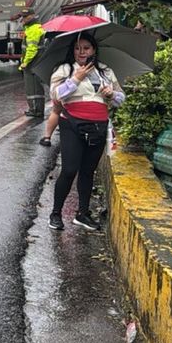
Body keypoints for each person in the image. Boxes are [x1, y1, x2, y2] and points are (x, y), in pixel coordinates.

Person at [47, 33, 124, 231]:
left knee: (88, 171)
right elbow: (56, 96)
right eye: (77, 48)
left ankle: (82, 213)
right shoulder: (65, 69)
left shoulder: (105, 71)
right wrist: (75, 79)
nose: (81, 52)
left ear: (94, 50)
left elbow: (121, 99)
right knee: (70, 169)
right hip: (72, 124)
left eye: (86, 48)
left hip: (98, 125)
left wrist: (111, 94)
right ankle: (56, 213)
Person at [18, 9, 46, 117]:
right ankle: (36, 109)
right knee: (35, 87)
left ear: (32, 16)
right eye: (22, 16)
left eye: (26, 17)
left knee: (33, 87)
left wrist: (25, 62)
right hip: (35, 62)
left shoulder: (34, 29)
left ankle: (36, 110)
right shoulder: (32, 28)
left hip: (33, 63)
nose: (23, 19)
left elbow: (32, 49)